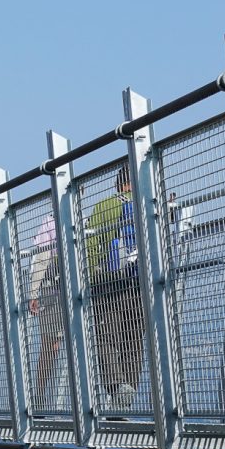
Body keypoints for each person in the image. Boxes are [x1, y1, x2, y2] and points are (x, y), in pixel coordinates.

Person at [85, 165, 144, 411]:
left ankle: (117, 386)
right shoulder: (149, 203)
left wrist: (90, 276)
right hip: (141, 283)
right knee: (134, 340)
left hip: (109, 284)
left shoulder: (105, 206)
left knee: (106, 337)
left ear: (118, 184)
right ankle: (127, 395)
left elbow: (90, 243)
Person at [27, 214, 63, 411]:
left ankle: (41, 395)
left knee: (50, 346)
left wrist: (33, 292)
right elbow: (41, 259)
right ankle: (41, 395)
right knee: (52, 346)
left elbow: (40, 259)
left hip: (52, 290)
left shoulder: (50, 222)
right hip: (59, 291)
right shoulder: (79, 216)